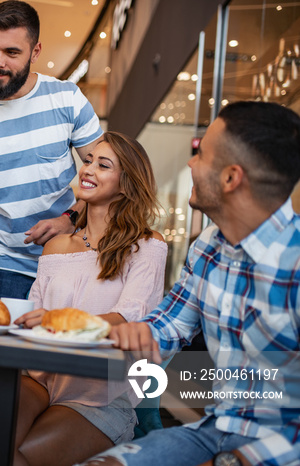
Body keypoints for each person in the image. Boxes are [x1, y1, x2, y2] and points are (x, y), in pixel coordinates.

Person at [81, 101, 300, 466]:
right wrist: (138, 334)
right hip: (215, 429)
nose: (190, 162)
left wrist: (230, 463)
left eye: (201, 154)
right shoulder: (209, 248)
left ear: (231, 178)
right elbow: (167, 326)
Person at [0, 132, 167, 465]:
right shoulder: (57, 246)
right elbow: (31, 318)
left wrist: (57, 321)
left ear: (127, 184)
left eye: (103, 165)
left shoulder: (146, 245)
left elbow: (129, 318)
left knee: (10, 460)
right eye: (88, 161)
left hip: (100, 393)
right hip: (36, 377)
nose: (88, 169)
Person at [0, 0, 104, 300]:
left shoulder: (68, 99)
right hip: (2, 269)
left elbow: (109, 179)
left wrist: (70, 218)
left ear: (35, 52)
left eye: (12, 52)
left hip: (68, 258)